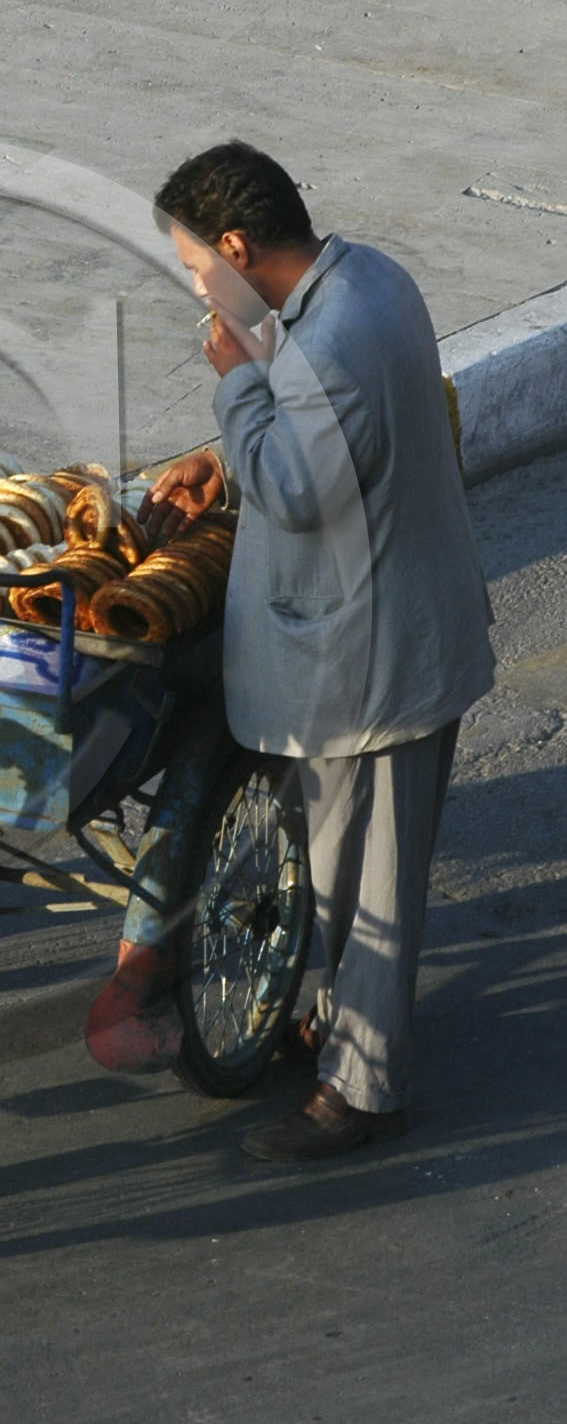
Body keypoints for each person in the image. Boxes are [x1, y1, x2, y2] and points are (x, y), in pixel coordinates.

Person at [86, 141, 494, 1161]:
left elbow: (304, 491)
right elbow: (324, 436)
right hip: (385, 627)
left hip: (373, 659)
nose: (194, 286)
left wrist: (233, 387)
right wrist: (222, 457)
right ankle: (326, 1026)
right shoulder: (363, 280)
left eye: (193, 266)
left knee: (365, 881)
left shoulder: (332, 337)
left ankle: (361, 1090)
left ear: (234, 244)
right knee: (342, 867)